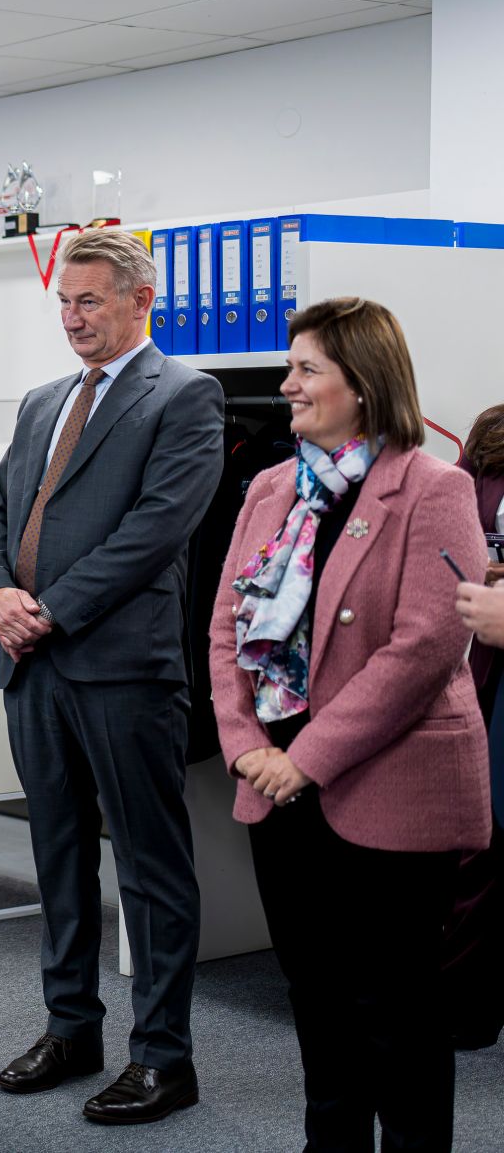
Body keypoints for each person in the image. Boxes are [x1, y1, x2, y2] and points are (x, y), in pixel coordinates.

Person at [209, 297, 490, 1150]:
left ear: (363, 385)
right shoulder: (268, 487)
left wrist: (309, 758)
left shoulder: (434, 487)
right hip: (276, 782)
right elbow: (226, 625)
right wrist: (244, 743)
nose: (285, 384)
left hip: (387, 786)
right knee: (317, 999)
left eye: (306, 370)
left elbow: (425, 646)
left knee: (398, 1013)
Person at [0, 229, 223, 1125]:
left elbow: (158, 529)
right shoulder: (43, 402)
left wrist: (50, 609)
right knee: (61, 857)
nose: (74, 318)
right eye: (65, 303)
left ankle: (164, 1056)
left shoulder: (185, 396)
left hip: (121, 669)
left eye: (90, 301)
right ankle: (70, 1027)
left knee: (151, 869)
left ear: (138, 301)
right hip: (32, 667)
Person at [445, 403, 504, 1051]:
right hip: (489, 669)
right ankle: (467, 1002)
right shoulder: (492, 433)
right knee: (481, 844)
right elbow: (456, 532)